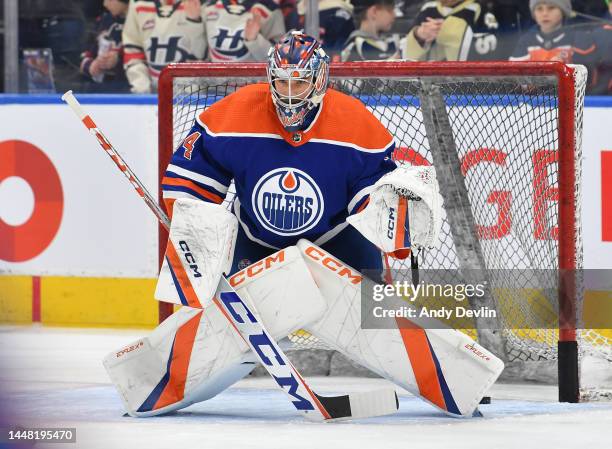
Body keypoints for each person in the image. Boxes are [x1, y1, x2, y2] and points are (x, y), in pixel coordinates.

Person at [162, 30, 396, 277]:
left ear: (319, 80)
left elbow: (375, 191)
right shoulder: (236, 113)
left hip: (337, 241)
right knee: (229, 315)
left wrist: (394, 221)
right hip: (255, 243)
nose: (289, 93)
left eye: (300, 82)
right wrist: (192, 227)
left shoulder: (353, 120)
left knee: (368, 311)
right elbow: (191, 176)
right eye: (282, 82)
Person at [122, 0, 207, 93]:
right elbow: (133, 52)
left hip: (192, 99)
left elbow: (203, 54)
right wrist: (142, 89)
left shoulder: (204, 4)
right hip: (150, 98)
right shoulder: (138, 4)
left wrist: (194, 22)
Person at [403, 0, 499, 61]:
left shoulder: (480, 9)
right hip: (428, 82)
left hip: (465, 86)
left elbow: (493, 51)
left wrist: (453, 33)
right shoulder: (428, 8)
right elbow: (404, 51)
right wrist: (419, 34)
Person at [509, 0, 596, 64]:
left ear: (563, 11)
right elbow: (514, 75)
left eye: (551, 8)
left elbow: (589, 76)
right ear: (533, 13)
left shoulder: (578, 38)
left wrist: (566, 65)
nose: (545, 13)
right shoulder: (526, 41)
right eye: (539, 9)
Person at [203, 0, 285, 62]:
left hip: (254, 82)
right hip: (212, 83)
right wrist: (193, 20)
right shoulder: (208, 7)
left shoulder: (270, 10)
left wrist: (254, 40)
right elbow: (198, 56)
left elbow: (279, 61)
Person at [80, 0, 130, 93]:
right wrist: (91, 66)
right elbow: (85, 53)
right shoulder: (104, 20)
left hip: (128, 89)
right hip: (99, 88)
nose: (105, 4)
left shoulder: (142, 24)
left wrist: (119, 58)